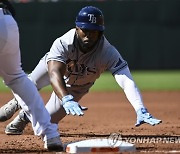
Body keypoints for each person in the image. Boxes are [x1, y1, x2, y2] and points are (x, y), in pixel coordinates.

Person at [0, 6, 161, 136]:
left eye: (94, 31)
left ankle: (24, 116)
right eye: (85, 29)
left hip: (78, 86)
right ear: (77, 28)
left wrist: (140, 107)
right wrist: (66, 99)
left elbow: (126, 80)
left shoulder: (107, 52)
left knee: (47, 121)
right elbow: (54, 73)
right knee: (31, 84)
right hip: (53, 68)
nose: (89, 35)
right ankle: (17, 102)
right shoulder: (64, 42)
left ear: (101, 33)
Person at [0, 0, 84, 151]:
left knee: (18, 78)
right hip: (5, 19)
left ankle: (19, 109)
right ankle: (50, 134)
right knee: (17, 78)